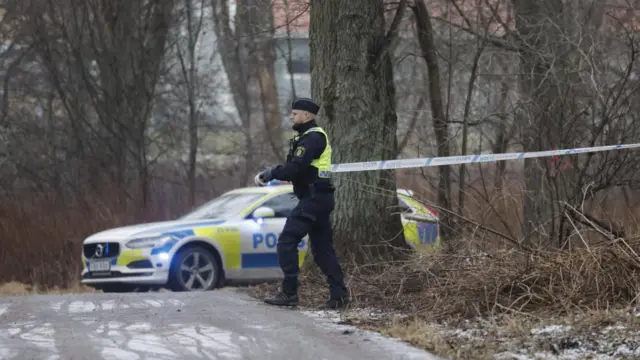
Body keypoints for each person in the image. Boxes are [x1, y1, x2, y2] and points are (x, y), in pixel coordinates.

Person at [255, 97, 350, 309]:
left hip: (314, 199)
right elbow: (301, 170)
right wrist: (278, 173)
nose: (291, 116)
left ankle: (289, 292)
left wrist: (271, 173)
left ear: (307, 116)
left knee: (286, 241)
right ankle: (339, 295)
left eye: (295, 113)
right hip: (319, 197)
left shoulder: (313, 138)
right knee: (323, 251)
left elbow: (296, 167)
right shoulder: (308, 136)